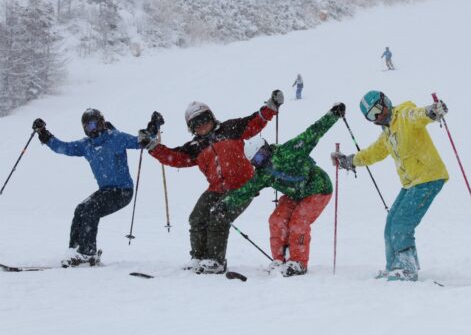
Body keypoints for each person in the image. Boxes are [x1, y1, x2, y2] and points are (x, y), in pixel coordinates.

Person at [138, 90, 283, 274]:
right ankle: (198, 257)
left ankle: (215, 260)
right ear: (191, 127)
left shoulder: (231, 128)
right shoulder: (195, 147)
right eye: (196, 123)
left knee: (218, 216)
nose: (202, 125)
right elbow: (174, 157)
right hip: (217, 189)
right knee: (197, 217)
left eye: (204, 118)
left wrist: (271, 106)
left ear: (212, 117)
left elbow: (255, 121)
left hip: (243, 186)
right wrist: (152, 147)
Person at [210, 103, 345, 277]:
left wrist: (333, 115)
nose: (262, 161)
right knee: (276, 219)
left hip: (317, 188)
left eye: (262, 155)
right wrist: (224, 204)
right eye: (257, 161)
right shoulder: (263, 174)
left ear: (267, 148)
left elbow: (313, 133)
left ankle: (298, 262)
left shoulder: (287, 152)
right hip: (295, 193)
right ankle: (279, 260)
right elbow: (246, 190)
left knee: (299, 221)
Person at [331, 91, 448, 281]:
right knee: (391, 223)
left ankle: (406, 268)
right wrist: (350, 161)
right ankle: (395, 266)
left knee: (402, 223)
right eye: (372, 115)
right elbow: (373, 153)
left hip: (429, 176)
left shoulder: (403, 115)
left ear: (386, 101)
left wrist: (431, 112)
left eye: (379, 108)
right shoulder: (387, 134)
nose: (378, 115)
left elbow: (417, 115)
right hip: (412, 182)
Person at [32, 109, 143, 267]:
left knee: (91, 208)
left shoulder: (116, 138)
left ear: (101, 123)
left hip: (122, 191)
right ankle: (75, 251)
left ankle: (87, 253)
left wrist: (152, 130)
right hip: (105, 191)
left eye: (92, 125)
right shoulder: (86, 145)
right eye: (86, 127)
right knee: (81, 208)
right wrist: (44, 134)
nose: (90, 130)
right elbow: (63, 147)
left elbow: (139, 141)